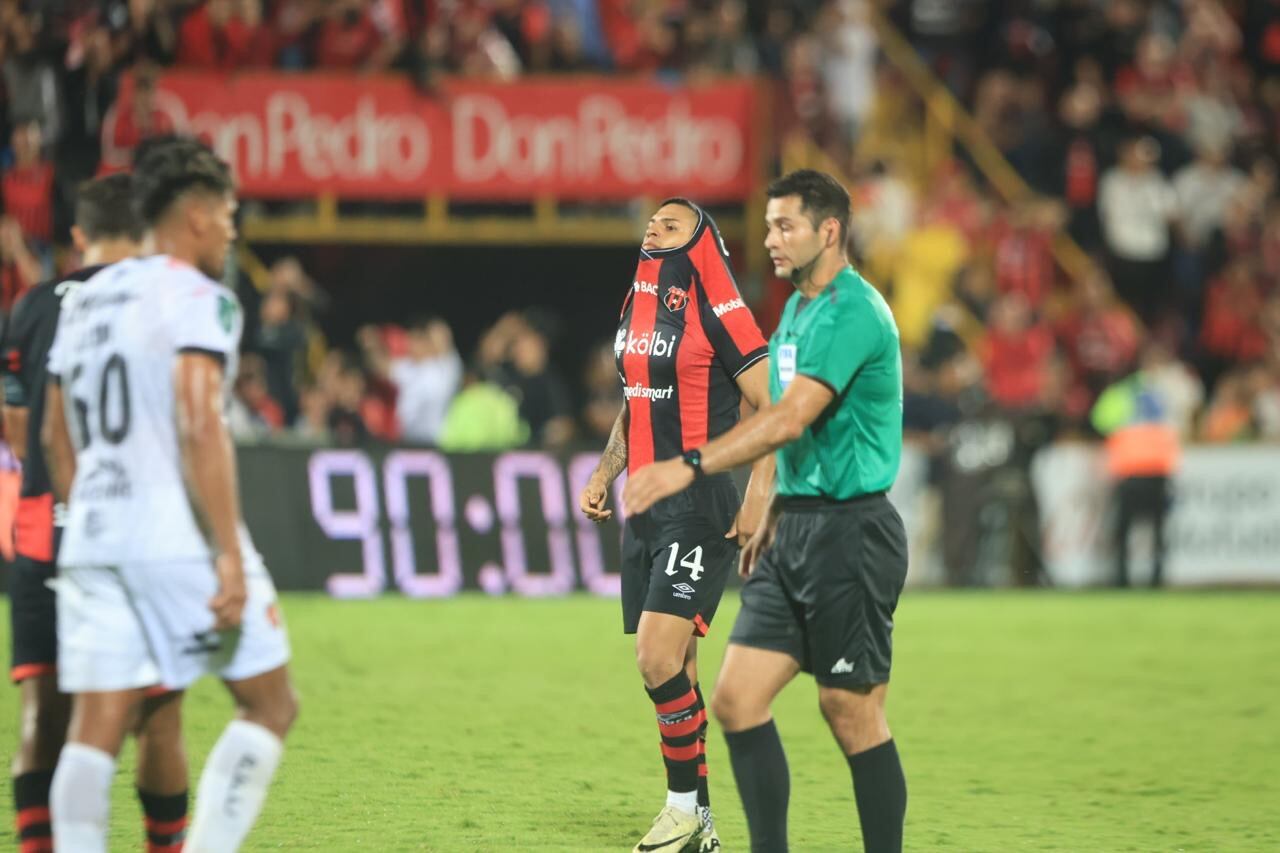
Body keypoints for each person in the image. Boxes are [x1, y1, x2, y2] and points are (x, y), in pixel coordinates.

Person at [624, 170, 909, 853]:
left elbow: (787, 417)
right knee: (737, 700)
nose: (771, 239)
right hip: (796, 530)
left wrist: (689, 465)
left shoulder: (852, 311)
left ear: (828, 231)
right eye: (769, 225)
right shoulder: (797, 315)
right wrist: (771, 505)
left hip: (852, 530)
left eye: (786, 226)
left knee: (850, 711)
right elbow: (788, 430)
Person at [42, 138, 297, 851]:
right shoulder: (198, 298)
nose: (231, 232)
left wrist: (91, 512)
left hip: (92, 534)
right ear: (195, 216)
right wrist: (226, 551)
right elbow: (198, 421)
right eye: (228, 216)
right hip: (174, 534)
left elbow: (55, 431)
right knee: (270, 703)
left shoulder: (84, 297)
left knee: (94, 729)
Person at [1, 173, 191, 852]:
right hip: (138, 533)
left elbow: (17, 428)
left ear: (79, 236)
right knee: (158, 718)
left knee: (42, 716)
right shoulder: (167, 301)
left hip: (43, 528)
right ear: (146, 231)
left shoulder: (31, 306)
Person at [578, 197, 773, 853]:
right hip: (646, 505)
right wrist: (605, 470)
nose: (655, 228)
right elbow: (635, 401)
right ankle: (702, 828)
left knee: (656, 654)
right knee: (679, 672)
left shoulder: (720, 306)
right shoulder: (637, 304)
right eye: (652, 222)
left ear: (702, 239)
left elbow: (772, 404)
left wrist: (759, 493)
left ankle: (681, 811)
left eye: (673, 223)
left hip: (699, 500)